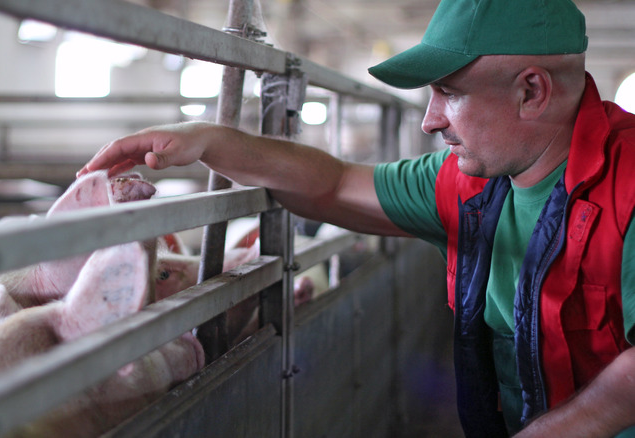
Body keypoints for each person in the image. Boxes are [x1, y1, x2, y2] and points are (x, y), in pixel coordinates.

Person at [78, 0, 635, 436]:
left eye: (448, 92)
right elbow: (335, 182)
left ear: (531, 91)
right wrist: (208, 142)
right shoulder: (469, 186)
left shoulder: (628, 185)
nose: (430, 121)